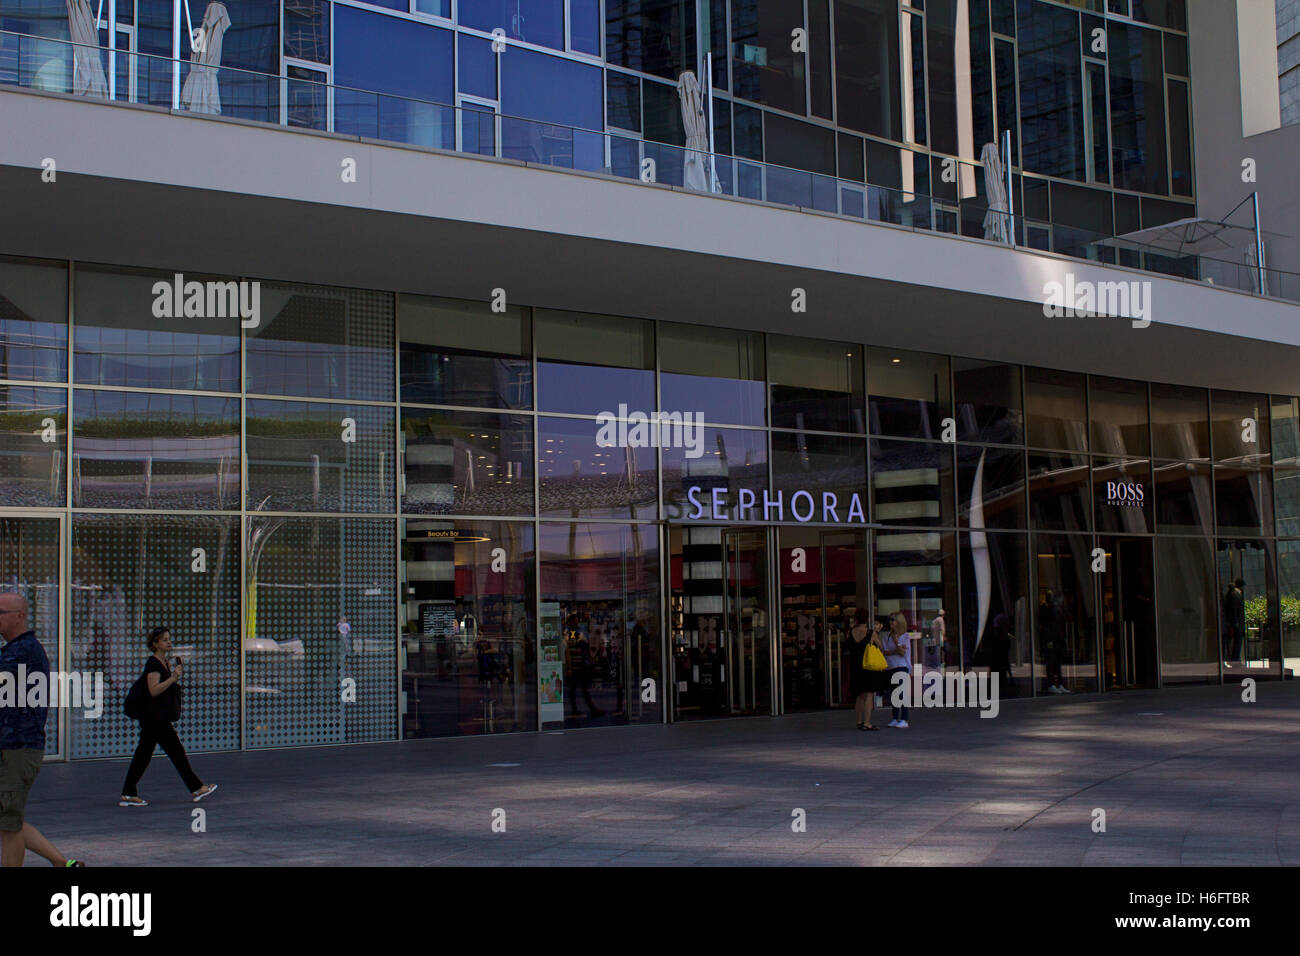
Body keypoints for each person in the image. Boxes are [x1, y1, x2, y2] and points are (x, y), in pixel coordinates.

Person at [0, 592, 84, 867]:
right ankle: (61, 862)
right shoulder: (19, 649)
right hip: (16, 748)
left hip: (16, 749)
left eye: (1, 612)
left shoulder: (22, 651)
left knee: (9, 825)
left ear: (19, 616)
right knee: (9, 818)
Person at [119, 627, 218, 807]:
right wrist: (173, 678)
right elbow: (153, 690)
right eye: (164, 640)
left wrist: (173, 676)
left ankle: (128, 793)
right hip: (154, 718)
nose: (169, 642)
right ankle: (197, 788)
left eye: (169, 639)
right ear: (155, 643)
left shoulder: (164, 662)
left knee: (145, 754)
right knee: (175, 752)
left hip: (156, 717)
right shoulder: (154, 664)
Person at [847, 609, 886, 731]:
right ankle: (867, 722)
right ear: (867, 618)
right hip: (867, 666)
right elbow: (881, 647)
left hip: (855, 666)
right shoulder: (870, 633)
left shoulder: (850, 632)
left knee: (859, 695)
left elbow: (849, 646)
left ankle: (858, 721)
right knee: (869, 694)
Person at [882, 612, 913, 728]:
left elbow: (902, 652)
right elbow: (885, 652)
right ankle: (895, 717)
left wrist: (896, 641)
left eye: (893, 620)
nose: (891, 623)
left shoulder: (904, 636)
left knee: (902, 694)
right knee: (893, 694)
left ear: (899, 621)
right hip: (891, 667)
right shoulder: (887, 636)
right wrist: (896, 650)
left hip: (902, 666)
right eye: (890, 620)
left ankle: (904, 719)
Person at [1222, 579, 1245, 664]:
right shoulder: (1235, 595)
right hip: (1237, 622)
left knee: (1237, 641)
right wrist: (1236, 622)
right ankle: (1235, 658)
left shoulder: (1233, 594)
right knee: (1237, 641)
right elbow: (1234, 610)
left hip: (1236, 622)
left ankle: (1235, 657)